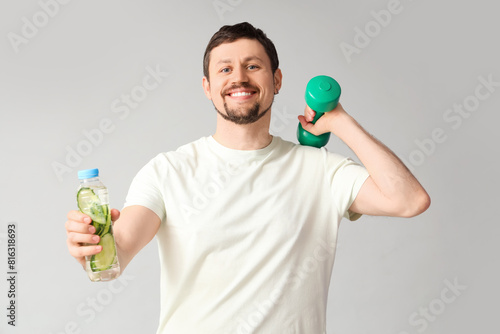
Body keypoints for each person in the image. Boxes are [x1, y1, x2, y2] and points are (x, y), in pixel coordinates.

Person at [65, 22, 430, 333]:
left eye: (252, 66)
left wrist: (340, 122)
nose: (238, 77)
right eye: (224, 69)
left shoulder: (322, 171)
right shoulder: (167, 171)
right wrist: (92, 247)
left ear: (277, 79)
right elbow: (119, 253)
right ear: (207, 86)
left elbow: (409, 200)